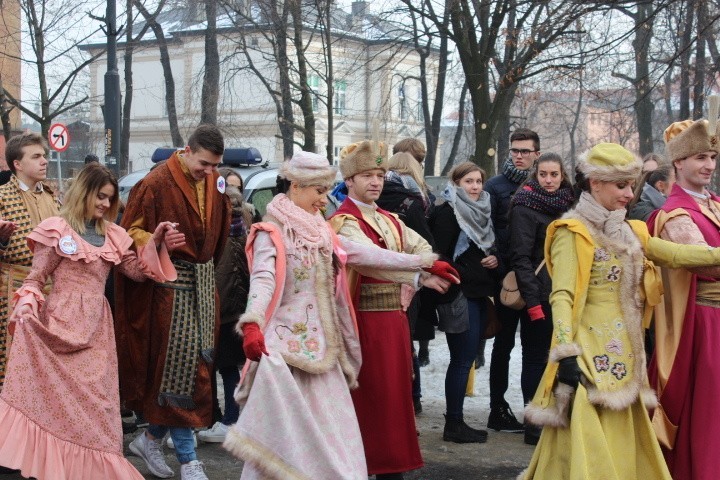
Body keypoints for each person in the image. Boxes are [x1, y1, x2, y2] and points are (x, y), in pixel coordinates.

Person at [223, 151, 452, 479]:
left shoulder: (321, 230)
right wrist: (253, 324)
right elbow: (262, 279)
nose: (324, 199)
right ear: (297, 186)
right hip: (285, 356)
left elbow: (362, 253)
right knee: (288, 442)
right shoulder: (269, 232)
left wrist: (422, 263)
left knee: (337, 441)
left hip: (325, 353)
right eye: (319, 191)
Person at [519, 142, 720, 480]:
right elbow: (563, 296)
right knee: (585, 447)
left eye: (631, 185)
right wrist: (566, 354)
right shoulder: (574, 232)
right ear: (595, 183)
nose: (629, 193)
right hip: (587, 358)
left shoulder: (631, 229)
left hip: (626, 358)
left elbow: (676, 255)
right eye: (621, 185)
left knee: (622, 444)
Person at [0, 163, 179, 479]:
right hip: (57, 326)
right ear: (83, 191)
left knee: (100, 408)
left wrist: (158, 242)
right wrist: (27, 304)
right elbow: (36, 277)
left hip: (97, 330)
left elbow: (137, 273)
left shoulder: (114, 234)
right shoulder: (56, 229)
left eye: (110, 199)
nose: (105, 205)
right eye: (100, 197)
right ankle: (56, 468)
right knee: (55, 406)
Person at [329, 140, 456, 480]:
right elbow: (371, 261)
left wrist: (416, 276)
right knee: (374, 399)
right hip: (364, 325)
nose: (376, 181)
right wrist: (419, 274)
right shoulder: (342, 222)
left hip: (394, 323)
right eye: (367, 175)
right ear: (350, 181)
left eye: (380, 175)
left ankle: (390, 469)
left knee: (396, 397)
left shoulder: (389, 218)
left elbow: (423, 245)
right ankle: (369, 465)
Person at [116, 124, 231, 480]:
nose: (210, 172)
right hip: (169, 287)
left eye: (215, 166)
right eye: (204, 165)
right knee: (179, 372)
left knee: (198, 369)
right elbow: (127, 231)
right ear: (186, 150)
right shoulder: (154, 182)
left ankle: (149, 438)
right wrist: (156, 236)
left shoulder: (213, 181)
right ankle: (188, 460)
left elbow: (222, 227)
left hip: (203, 283)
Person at [647, 116, 720, 480]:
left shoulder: (715, 204)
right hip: (704, 326)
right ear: (678, 163)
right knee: (708, 411)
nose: (708, 165)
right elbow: (707, 266)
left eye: (712, 157)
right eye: (699, 158)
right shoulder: (674, 213)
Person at [430, 161, 500, 443]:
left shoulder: (485, 212)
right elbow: (438, 254)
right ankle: (454, 423)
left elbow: (489, 247)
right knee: (461, 360)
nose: (474, 187)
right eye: (468, 181)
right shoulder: (448, 213)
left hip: (480, 294)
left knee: (467, 358)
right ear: (456, 182)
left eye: (478, 181)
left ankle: (457, 421)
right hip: (459, 295)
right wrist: (464, 272)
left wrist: (495, 259)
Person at [508, 153, 575, 445]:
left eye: (554, 175)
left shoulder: (570, 204)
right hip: (539, 293)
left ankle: (558, 415)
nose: (549, 180)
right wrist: (533, 301)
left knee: (562, 357)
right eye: (544, 174)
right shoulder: (524, 205)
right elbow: (520, 258)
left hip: (567, 291)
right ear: (535, 175)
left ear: (563, 176)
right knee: (535, 358)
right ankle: (533, 423)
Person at [485, 128, 541, 432]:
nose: (518, 156)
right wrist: (497, 263)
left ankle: (533, 413)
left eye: (525, 151)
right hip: (505, 279)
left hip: (536, 280)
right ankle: (497, 408)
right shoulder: (495, 187)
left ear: (536, 154)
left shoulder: (543, 184)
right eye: (514, 150)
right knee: (503, 346)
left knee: (534, 349)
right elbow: (487, 229)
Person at [376, 151, 436, 415]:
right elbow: (426, 244)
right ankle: (413, 397)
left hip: (371, 280)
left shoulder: (372, 201)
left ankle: (387, 398)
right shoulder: (412, 203)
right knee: (405, 341)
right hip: (406, 282)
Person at [0, 133, 60, 392]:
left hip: (51, 291)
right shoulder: (1, 196)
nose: (44, 161)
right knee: (12, 356)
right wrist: (2, 241)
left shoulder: (52, 197)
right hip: (11, 290)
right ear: (17, 164)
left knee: (46, 359)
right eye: (36, 156)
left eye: (44, 155)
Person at [198, 168, 253, 444]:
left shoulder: (217, 231)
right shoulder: (247, 227)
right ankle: (228, 418)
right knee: (231, 368)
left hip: (222, 309)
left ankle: (227, 419)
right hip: (239, 308)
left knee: (224, 368)